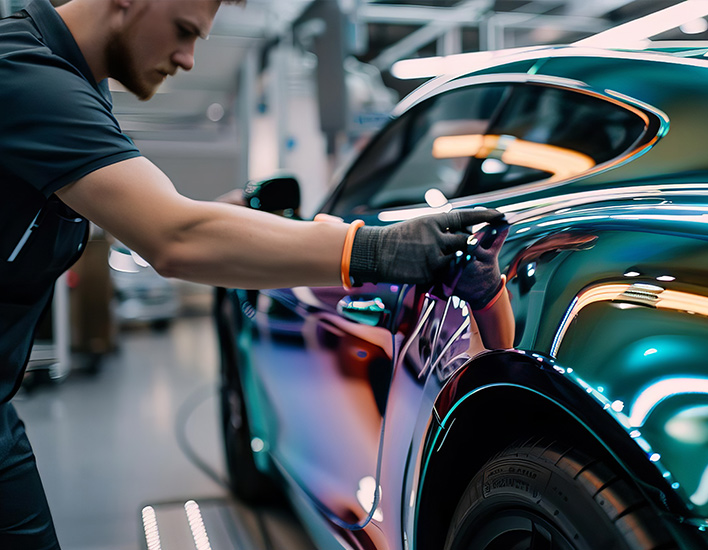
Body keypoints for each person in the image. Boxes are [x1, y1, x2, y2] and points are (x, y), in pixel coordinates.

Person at [0, 0, 506, 547]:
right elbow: (174, 236)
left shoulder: (79, 87)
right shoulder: (23, 72)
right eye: (183, 32)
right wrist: (372, 250)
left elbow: (160, 219)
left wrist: (229, 218)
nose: (188, 59)